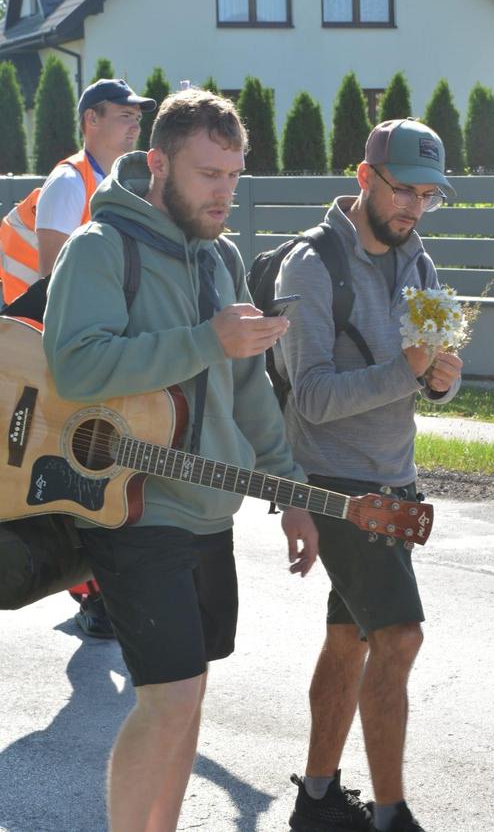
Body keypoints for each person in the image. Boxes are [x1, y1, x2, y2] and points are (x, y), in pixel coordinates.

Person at [43, 88, 318, 832]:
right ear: (158, 164)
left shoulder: (221, 259)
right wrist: (208, 339)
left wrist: (290, 489)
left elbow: (246, 383)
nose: (224, 192)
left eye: (233, 175)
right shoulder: (100, 249)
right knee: (167, 696)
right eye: (208, 175)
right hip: (135, 506)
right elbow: (76, 367)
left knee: (189, 694)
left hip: (208, 509)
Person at [274, 118, 464, 832]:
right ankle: (392, 816)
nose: (414, 207)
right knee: (400, 636)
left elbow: (432, 370)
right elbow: (313, 398)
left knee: (349, 637)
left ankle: (317, 799)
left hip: (393, 477)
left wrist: (441, 379)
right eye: (403, 190)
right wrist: (406, 372)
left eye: (428, 195)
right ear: (363, 177)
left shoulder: (418, 260)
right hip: (332, 484)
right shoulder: (310, 266)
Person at [35, 77, 157, 638]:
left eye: (138, 115)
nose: (134, 122)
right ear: (91, 120)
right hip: (46, 344)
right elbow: (54, 278)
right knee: (73, 464)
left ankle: (100, 587)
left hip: (90, 341)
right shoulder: (68, 182)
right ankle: (91, 592)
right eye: (123, 114)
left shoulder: (121, 182)